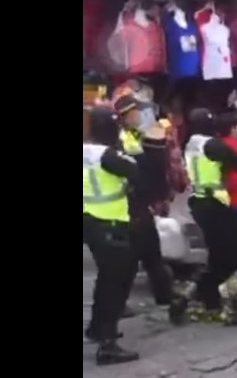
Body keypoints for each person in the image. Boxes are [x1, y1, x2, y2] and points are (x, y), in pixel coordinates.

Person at [171, 109, 237, 325]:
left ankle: (194, 296)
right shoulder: (212, 145)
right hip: (216, 206)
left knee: (219, 256)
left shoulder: (191, 143)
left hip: (202, 204)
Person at [83, 106, 140, 365]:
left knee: (108, 277)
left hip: (90, 219)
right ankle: (107, 344)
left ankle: (97, 328)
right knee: (113, 283)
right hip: (109, 222)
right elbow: (135, 170)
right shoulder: (107, 155)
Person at [114, 95, 176, 309]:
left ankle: (165, 296)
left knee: (151, 254)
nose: (140, 115)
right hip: (132, 205)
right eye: (136, 112)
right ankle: (118, 304)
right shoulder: (124, 141)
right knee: (135, 258)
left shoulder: (133, 134)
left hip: (139, 205)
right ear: (126, 116)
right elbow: (142, 171)